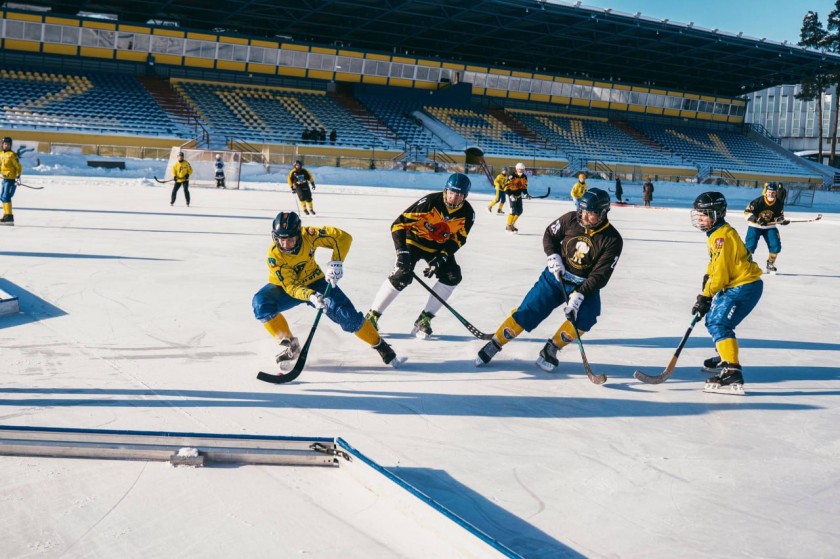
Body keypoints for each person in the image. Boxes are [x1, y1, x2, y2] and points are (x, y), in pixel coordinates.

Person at [475, 188, 622, 370]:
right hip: (555, 277)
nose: (584, 217)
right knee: (529, 310)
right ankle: (495, 343)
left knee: (586, 318)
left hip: (584, 285)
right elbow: (550, 235)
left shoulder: (612, 239)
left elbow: (600, 275)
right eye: (582, 211)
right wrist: (553, 256)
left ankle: (551, 348)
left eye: (590, 214)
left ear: (603, 213)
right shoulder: (570, 219)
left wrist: (579, 296)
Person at [251, 211, 400, 368]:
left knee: (348, 317)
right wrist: (310, 296)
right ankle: (291, 346)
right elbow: (290, 286)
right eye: (282, 240)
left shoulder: (310, 235)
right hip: (286, 289)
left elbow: (343, 237)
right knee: (261, 303)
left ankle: (380, 346)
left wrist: (336, 262)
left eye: (291, 240)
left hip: (316, 282)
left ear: (298, 235)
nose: (286, 245)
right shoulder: (274, 255)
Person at [366, 173, 475, 339]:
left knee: (452, 276)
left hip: (438, 249)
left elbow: (459, 240)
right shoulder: (430, 202)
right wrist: (401, 252)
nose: (454, 198)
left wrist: (442, 257)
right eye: (452, 193)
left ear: (465, 196)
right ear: (445, 190)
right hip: (414, 242)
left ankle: (425, 318)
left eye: (459, 195)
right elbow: (398, 224)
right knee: (402, 275)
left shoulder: (467, 213)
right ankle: (373, 315)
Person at [691, 192, 763, 395]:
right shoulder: (716, 233)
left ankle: (732, 369)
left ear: (717, 213)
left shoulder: (721, 236)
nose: (700, 218)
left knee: (719, 323)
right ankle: (725, 355)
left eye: (704, 214)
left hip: (743, 285)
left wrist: (706, 296)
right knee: (714, 320)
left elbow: (722, 272)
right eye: (699, 214)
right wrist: (707, 281)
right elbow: (716, 264)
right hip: (735, 285)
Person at [744, 182, 788, 274]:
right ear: (765, 192)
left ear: (776, 193)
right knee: (750, 245)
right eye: (769, 192)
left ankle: (770, 263)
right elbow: (747, 213)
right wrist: (757, 220)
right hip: (755, 226)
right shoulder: (758, 201)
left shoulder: (779, 203)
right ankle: (746, 263)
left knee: (775, 245)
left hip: (769, 226)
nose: (771, 194)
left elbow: (779, 216)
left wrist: (781, 221)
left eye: (773, 192)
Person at [1, 136, 23, 226]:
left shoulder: (12, 155)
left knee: (6, 196)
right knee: (2, 197)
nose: (6, 146)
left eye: (7, 144)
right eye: (4, 144)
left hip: (11, 179)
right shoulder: (1, 154)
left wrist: (18, 176)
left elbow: (18, 166)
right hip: (5, 178)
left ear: (10, 145)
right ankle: (6, 215)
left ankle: (9, 216)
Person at [504, 162, 530, 233]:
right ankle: (508, 226)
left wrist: (526, 194)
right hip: (510, 195)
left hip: (518, 196)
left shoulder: (524, 176)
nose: (521, 170)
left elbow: (524, 187)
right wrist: (511, 195)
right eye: (519, 169)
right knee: (513, 211)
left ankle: (512, 224)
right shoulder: (512, 176)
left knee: (519, 211)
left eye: (522, 169)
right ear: (516, 169)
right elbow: (505, 188)